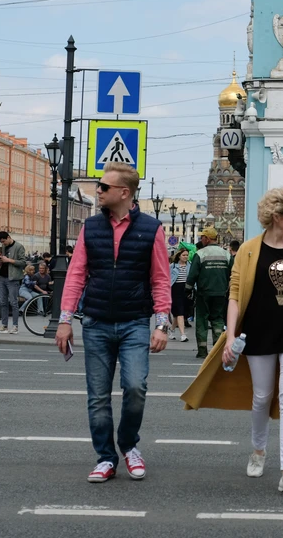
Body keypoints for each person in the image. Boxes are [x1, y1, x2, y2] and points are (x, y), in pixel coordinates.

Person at [181, 187, 283, 498]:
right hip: (258, 332)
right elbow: (234, 295)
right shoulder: (248, 250)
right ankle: (258, 450)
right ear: (276, 216)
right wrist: (229, 337)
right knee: (261, 396)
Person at [55, 162, 171, 484]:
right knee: (98, 396)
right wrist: (65, 321)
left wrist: (161, 324)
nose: (98, 191)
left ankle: (129, 444)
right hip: (96, 323)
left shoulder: (152, 229)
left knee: (135, 387)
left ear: (125, 192)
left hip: (135, 322)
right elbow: (76, 274)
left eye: (104, 187)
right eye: (99, 186)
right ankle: (106, 458)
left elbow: (161, 279)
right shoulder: (91, 227)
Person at [186, 226, 232, 359]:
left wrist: (188, 290)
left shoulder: (200, 254)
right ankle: (217, 351)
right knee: (218, 320)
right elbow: (233, 272)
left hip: (203, 294)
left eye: (202, 237)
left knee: (202, 320)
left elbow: (192, 274)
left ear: (207, 239)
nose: (201, 239)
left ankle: (202, 350)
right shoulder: (226, 254)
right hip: (220, 293)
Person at [0, 231, 26, 334]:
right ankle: (4, 325)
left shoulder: (19, 246)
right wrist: (1, 262)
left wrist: (9, 260)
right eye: (1, 242)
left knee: (13, 303)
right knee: (3, 302)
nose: (3, 244)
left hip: (13, 278)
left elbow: (23, 262)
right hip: (2, 277)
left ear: (8, 237)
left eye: (4, 241)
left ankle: (15, 326)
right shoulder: (3, 247)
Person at [169, 249, 191, 343]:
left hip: (186, 290)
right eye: (184, 255)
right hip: (175, 290)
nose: (185, 257)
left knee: (177, 314)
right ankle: (183, 335)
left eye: (187, 255)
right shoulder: (173, 266)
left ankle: (172, 330)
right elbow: (168, 279)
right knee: (180, 313)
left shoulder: (190, 265)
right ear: (179, 256)